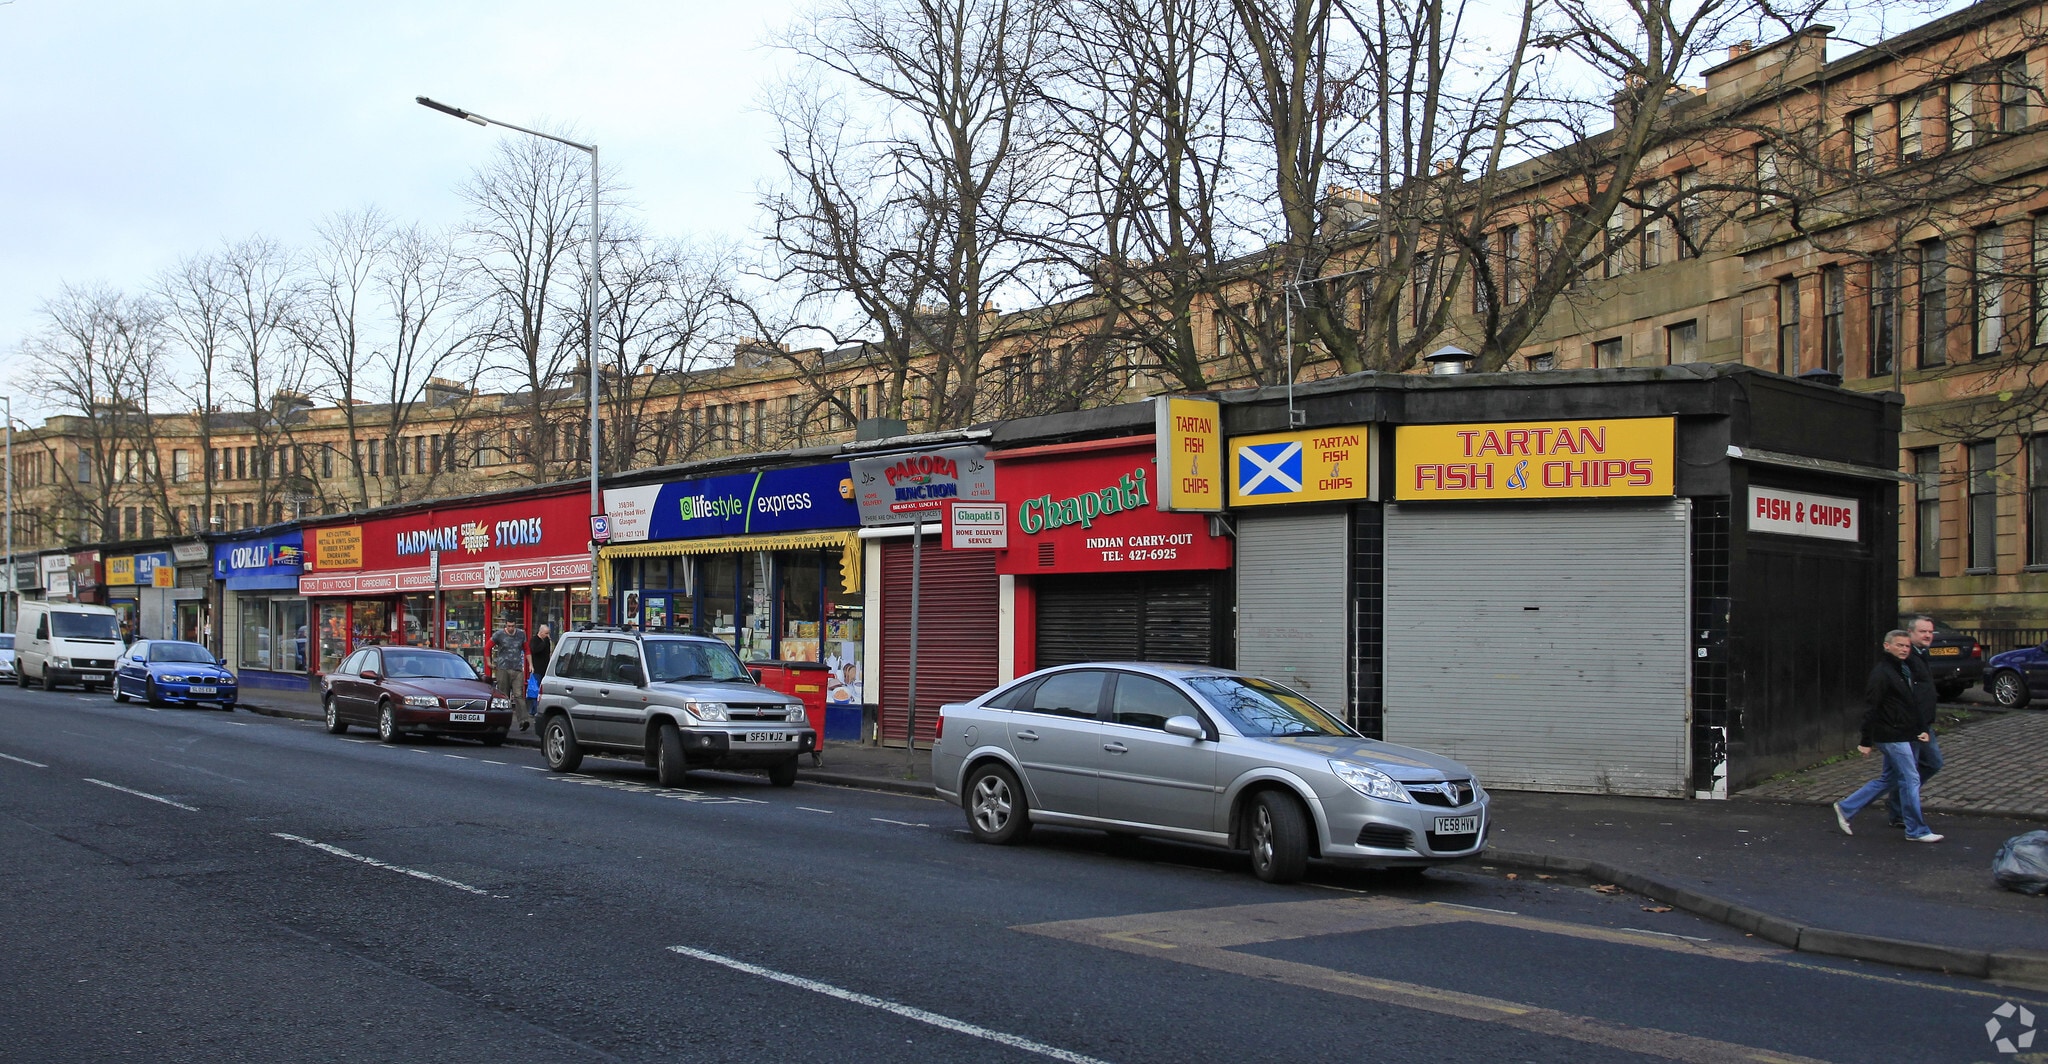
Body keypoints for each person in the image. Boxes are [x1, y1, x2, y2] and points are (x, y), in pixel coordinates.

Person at [1833, 630, 1943, 842]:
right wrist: (1866, 741)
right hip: (1891, 734)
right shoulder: (1882, 673)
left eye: (1907, 646)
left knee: (1890, 778)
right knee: (1910, 778)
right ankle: (1916, 830)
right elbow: (1871, 707)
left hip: (1904, 732)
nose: (1904, 649)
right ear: (1887, 646)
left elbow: (1911, 703)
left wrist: (1921, 728)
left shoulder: (1902, 669)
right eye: (1899, 645)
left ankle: (1846, 807)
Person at [1886, 614, 1947, 827]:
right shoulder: (1908, 657)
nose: (1928, 635)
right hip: (1911, 725)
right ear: (1910, 633)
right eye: (1923, 631)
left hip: (1924, 723)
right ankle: (1900, 812)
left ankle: (1898, 803)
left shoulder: (1921, 654)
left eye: (1930, 632)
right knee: (1906, 772)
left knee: (1931, 763)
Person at [490, 620, 529, 731]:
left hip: (517, 669)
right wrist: (489, 662)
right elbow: (488, 647)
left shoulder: (521, 634)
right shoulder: (499, 634)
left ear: (515, 625)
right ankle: (502, 722)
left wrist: (530, 664)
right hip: (503, 668)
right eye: (509, 626)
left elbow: (527, 649)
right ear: (505, 625)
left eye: (512, 626)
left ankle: (524, 720)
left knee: (518, 695)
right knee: (504, 695)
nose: (511, 628)